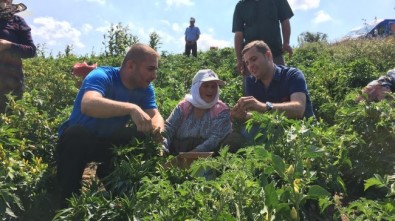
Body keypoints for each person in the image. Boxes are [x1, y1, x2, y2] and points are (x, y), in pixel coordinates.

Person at [56, 43, 165, 207]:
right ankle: (67, 200)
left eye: (155, 69)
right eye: (150, 69)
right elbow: (88, 104)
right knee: (77, 134)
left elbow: (155, 114)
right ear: (130, 66)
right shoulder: (101, 75)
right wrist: (131, 108)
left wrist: (157, 129)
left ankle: (118, 188)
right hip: (77, 144)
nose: (154, 75)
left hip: (107, 144)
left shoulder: (145, 88)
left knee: (135, 135)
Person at [231, 40, 314, 141]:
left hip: (300, 130)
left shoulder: (293, 75)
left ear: (268, 55)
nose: (250, 66)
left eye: (254, 59)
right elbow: (255, 116)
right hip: (273, 129)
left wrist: (263, 106)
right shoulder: (250, 82)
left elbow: (299, 109)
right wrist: (241, 116)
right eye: (247, 63)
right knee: (247, 132)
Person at [162, 69, 232, 155]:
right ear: (196, 87)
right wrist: (162, 149)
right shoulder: (184, 106)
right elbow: (169, 128)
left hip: (206, 158)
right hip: (177, 153)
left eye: (213, 86)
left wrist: (191, 155)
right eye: (205, 86)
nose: (210, 90)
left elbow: (215, 138)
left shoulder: (221, 110)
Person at [232, 0, 294, 74]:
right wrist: (239, 59)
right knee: (252, 84)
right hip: (251, 59)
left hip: (275, 55)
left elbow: (285, 21)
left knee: (280, 82)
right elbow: (238, 34)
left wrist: (286, 42)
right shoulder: (240, 6)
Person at [0, 0, 36, 113]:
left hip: (11, 85)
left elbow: (31, 51)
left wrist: (9, 45)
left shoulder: (17, 21)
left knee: (9, 123)